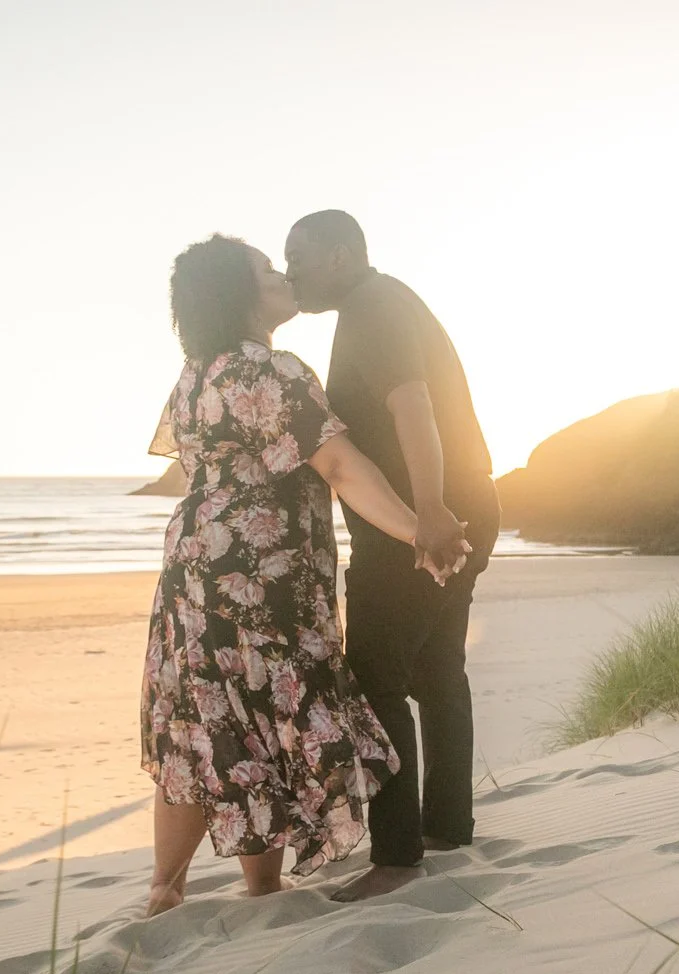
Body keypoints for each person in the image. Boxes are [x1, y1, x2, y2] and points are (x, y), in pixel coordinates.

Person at [141, 235, 465, 917]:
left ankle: (172, 887)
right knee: (262, 712)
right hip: (262, 576)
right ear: (241, 294)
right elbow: (341, 466)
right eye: (266, 270)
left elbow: (194, 471)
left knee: (206, 717)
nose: (282, 274)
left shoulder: (196, 375)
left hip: (192, 570)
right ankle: (254, 882)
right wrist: (419, 529)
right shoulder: (274, 372)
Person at [284, 211, 502, 903]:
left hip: (420, 524)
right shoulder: (385, 300)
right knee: (439, 668)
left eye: (300, 258)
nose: (291, 272)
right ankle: (446, 825)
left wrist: (429, 511)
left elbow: (413, 407)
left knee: (374, 678)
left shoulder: (373, 308)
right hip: (465, 506)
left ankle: (398, 855)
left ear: (341, 256)